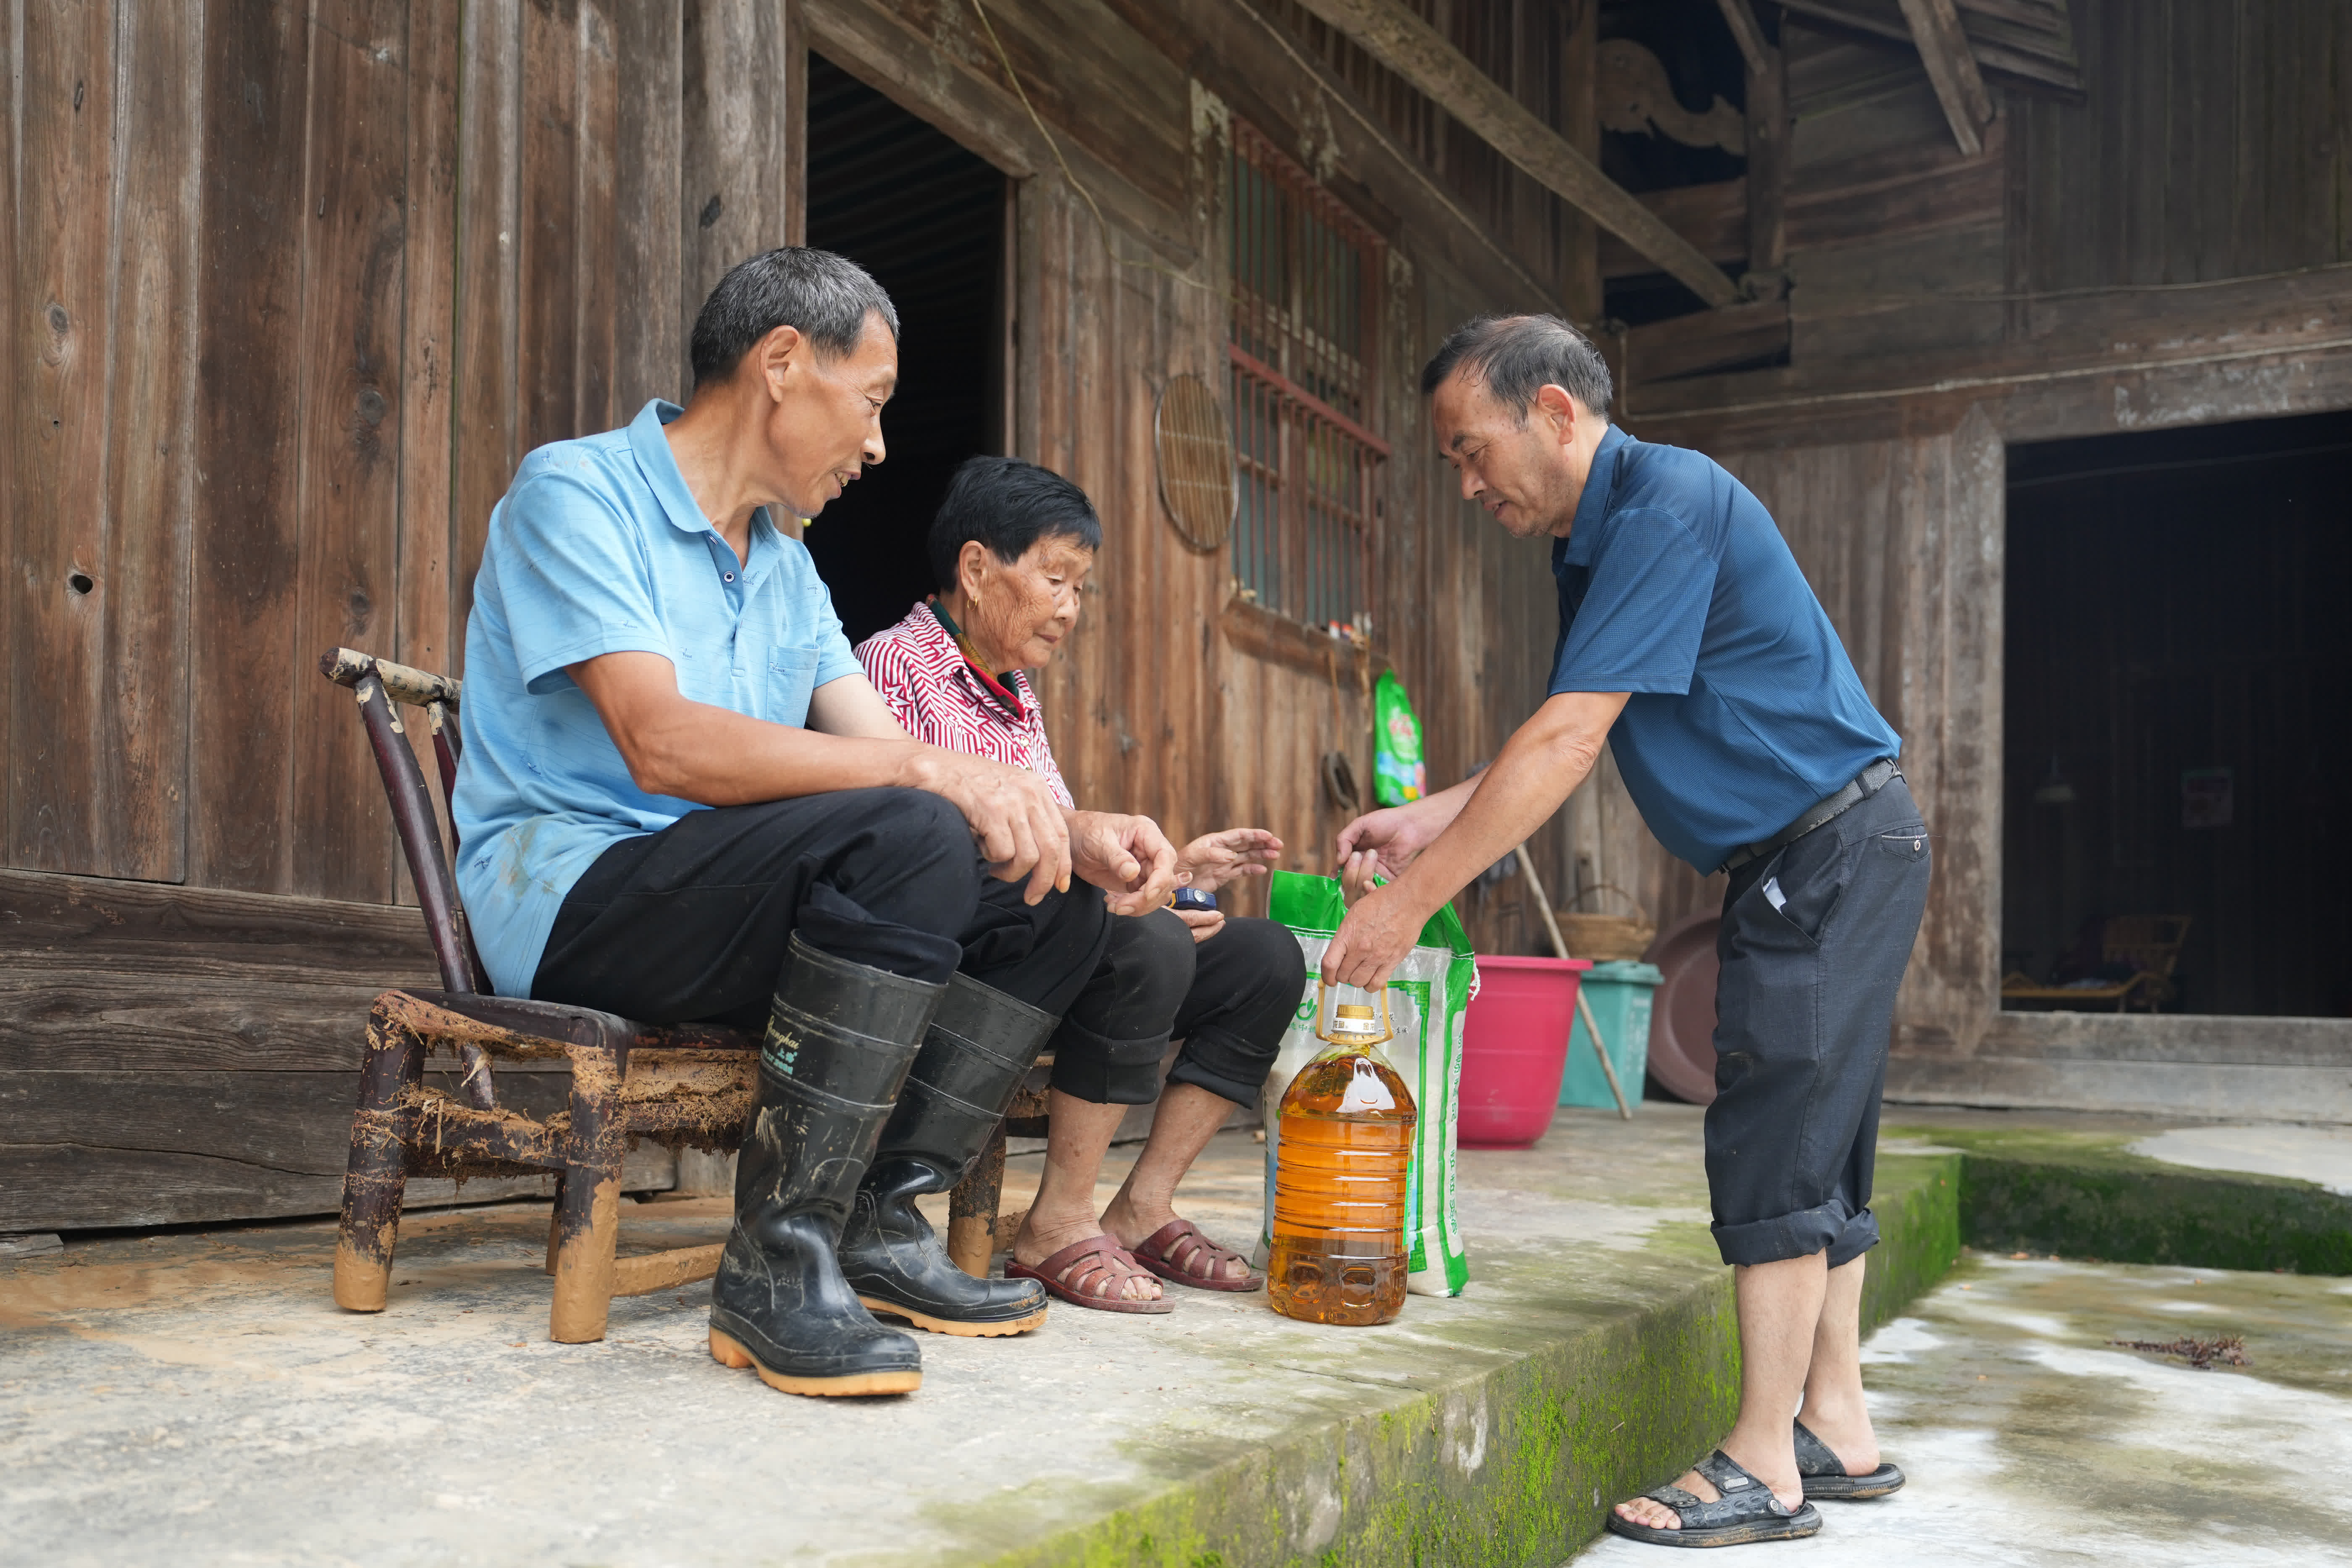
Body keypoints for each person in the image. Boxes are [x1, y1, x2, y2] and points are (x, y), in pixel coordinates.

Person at [452, 247, 1180, 1400]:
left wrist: (1062, 822)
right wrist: (930, 779)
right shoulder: (575, 493)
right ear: (783, 364)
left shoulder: (785, 568)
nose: (880, 444)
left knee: (1049, 889)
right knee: (911, 827)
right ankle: (777, 1261)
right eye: (874, 401)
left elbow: (883, 745)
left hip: (732, 898)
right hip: (578, 896)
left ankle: (881, 1222)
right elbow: (662, 742)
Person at [1320, 315, 1930, 1547]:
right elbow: (1575, 721)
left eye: (1470, 448)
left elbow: (1570, 737)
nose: (1467, 481)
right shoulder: (1598, 541)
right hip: (1842, 845)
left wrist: (1412, 898)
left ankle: (1764, 1459)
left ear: (1553, 412)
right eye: (1450, 461)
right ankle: (1837, 1424)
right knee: (1822, 1138)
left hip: (1823, 849)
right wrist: (1427, 817)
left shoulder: (1664, 502)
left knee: (1776, 1139)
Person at [857, 455, 1307, 1311]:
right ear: (977, 567)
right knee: (1143, 942)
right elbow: (898, 845)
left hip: (1055, 936)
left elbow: (1063, 843)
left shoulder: (1013, 693)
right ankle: (1055, 1226)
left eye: (1081, 587)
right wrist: (1129, 903)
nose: (1069, 608)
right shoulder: (891, 667)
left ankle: (1142, 1207)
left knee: (1265, 959)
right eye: (1055, 577)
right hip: (973, 958)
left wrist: (1170, 875)